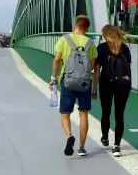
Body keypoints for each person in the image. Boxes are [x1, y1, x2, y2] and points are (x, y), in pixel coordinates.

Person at [50, 15, 97, 157]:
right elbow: (93, 65)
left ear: (75, 25)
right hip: (85, 82)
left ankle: (69, 135)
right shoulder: (90, 42)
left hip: (67, 81)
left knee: (65, 113)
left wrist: (53, 78)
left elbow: (57, 59)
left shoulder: (65, 39)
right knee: (83, 114)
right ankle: (81, 148)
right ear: (87, 28)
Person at [93, 24, 132, 157]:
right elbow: (128, 67)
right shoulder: (125, 48)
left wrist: (94, 88)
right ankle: (117, 146)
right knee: (119, 115)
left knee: (106, 111)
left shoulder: (102, 48)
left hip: (106, 82)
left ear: (105, 35)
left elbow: (97, 70)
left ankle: (105, 138)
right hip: (123, 84)